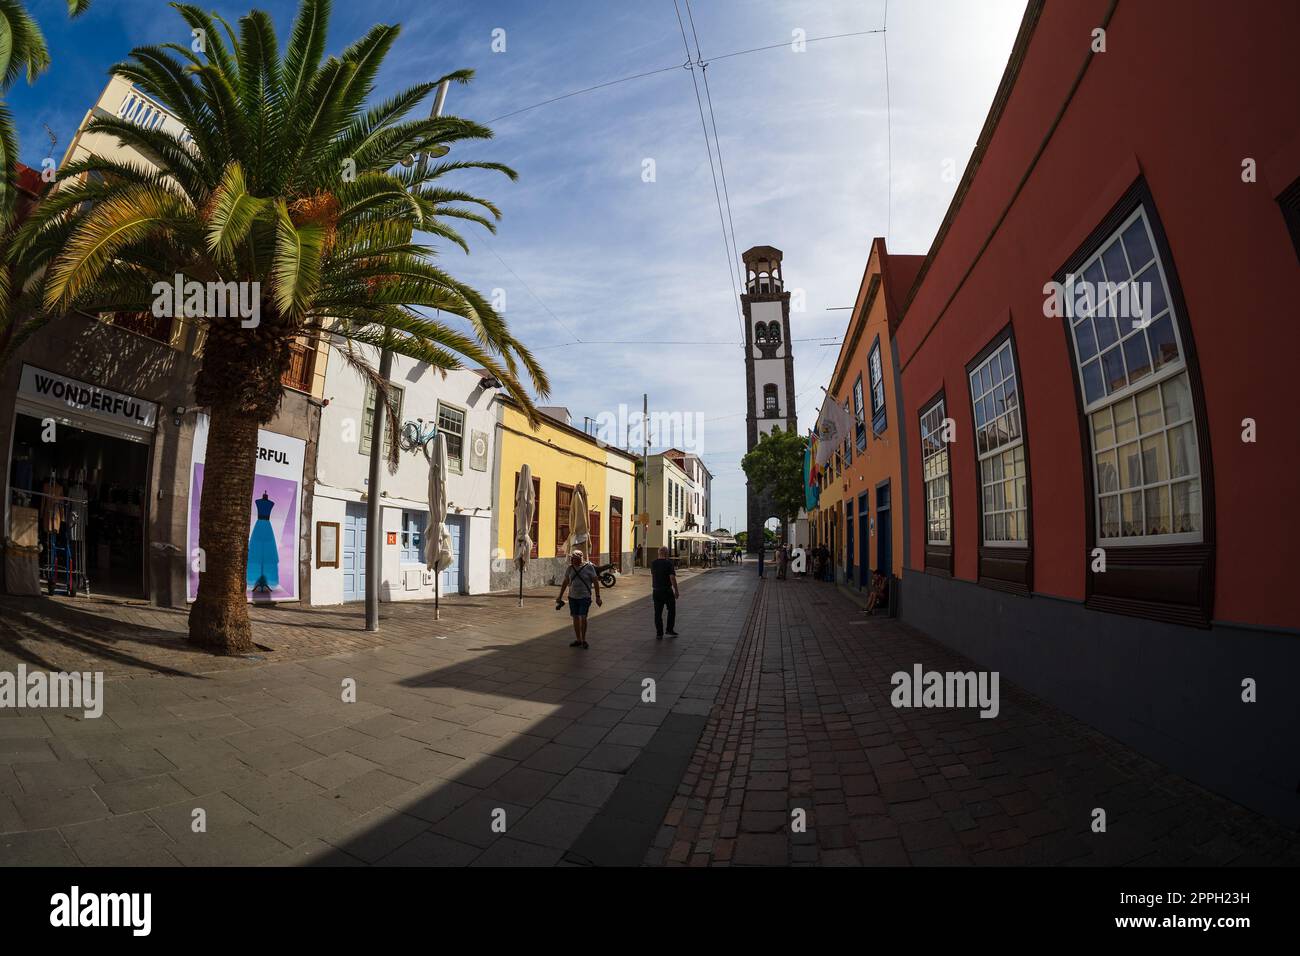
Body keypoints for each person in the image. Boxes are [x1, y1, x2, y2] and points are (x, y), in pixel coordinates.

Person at [557, 549, 601, 649]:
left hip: (585, 597)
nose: (572, 560)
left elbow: (596, 582)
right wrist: (560, 596)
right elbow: (565, 582)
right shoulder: (570, 568)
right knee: (575, 618)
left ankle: (584, 639)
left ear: (580, 558)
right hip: (572, 597)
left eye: (574, 559)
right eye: (572, 559)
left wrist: (598, 597)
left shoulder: (589, 567)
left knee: (583, 617)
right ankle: (578, 639)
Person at [649, 546, 679, 639]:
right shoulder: (668, 563)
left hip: (656, 590)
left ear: (658, 553)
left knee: (657, 613)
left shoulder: (653, 563)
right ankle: (669, 629)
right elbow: (672, 577)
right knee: (671, 610)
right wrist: (676, 590)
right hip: (667, 590)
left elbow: (653, 575)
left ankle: (659, 633)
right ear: (666, 553)